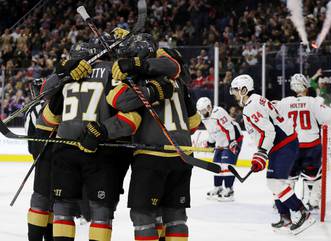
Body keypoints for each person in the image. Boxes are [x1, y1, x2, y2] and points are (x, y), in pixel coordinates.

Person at [40, 41, 143, 241]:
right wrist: (105, 129)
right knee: (101, 212)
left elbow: (46, 112)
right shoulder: (110, 72)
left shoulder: (67, 76)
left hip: (65, 148)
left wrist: (60, 72)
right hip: (101, 150)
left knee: (63, 209)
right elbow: (131, 116)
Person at [110, 32, 201, 241]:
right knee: (176, 217)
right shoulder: (177, 80)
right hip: (182, 156)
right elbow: (194, 124)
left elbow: (120, 102)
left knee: (143, 216)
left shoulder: (137, 80)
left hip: (152, 156)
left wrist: (145, 90)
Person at [229, 74, 315, 234]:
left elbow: (268, 131)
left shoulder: (251, 106)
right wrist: (262, 151)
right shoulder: (255, 99)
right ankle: (286, 218)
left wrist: (261, 152)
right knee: (274, 182)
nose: (233, 93)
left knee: (275, 183)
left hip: (284, 144)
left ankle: (303, 213)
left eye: (235, 89)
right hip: (283, 143)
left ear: (244, 89)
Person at [275, 73, 331, 210]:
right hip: (311, 146)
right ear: (306, 87)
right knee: (313, 177)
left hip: (291, 147)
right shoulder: (313, 102)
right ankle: (312, 201)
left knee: (289, 177)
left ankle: (286, 202)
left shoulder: (284, 102)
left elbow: (272, 114)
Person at [196, 97, 243, 201]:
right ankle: (218, 187)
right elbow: (212, 131)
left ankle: (229, 190)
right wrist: (210, 143)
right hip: (221, 140)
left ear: (209, 107)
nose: (202, 113)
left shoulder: (218, 112)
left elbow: (229, 128)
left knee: (226, 165)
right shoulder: (204, 117)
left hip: (234, 138)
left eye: (203, 111)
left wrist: (232, 142)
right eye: (200, 111)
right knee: (216, 165)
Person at [25, 78, 55, 241]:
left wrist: (36, 155)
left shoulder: (32, 109)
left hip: (42, 158)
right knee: (55, 201)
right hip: (59, 157)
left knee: (42, 198)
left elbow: (31, 141)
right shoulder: (57, 103)